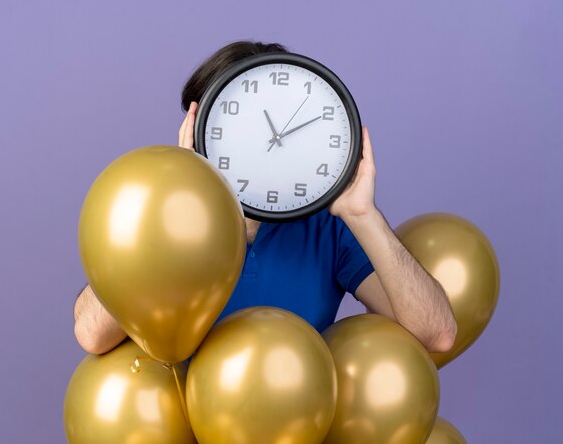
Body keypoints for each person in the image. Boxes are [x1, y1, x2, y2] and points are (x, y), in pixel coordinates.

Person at [74, 41, 457, 355]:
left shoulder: (329, 228)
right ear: (197, 129)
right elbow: (93, 334)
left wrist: (363, 214)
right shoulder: (165, 226)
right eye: (237, 127)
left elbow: (436, 334)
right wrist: (177, 194)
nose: (268, 143)